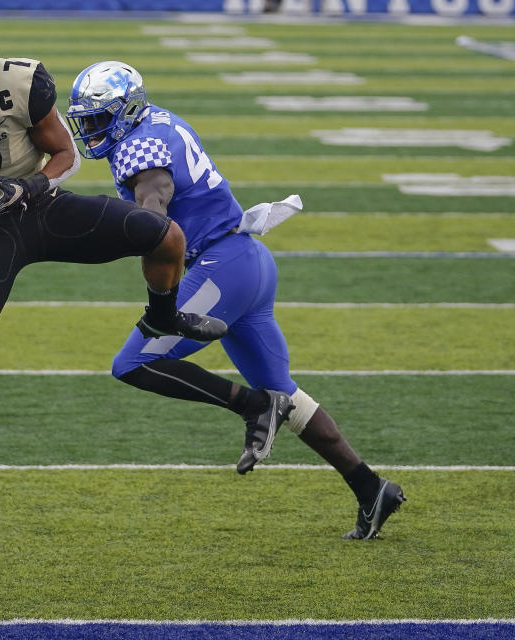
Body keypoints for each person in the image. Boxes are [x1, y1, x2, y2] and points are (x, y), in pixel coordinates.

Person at [0, 6, 230, 530]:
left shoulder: (23, 81)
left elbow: (65, 156)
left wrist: (24, 187)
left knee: (164, 235)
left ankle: (163, 314)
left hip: (41, 205)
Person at [66, 61, 406, 540]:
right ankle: (370, 487)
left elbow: (154, 221)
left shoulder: (137, 147)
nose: (92, 129)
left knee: (133, 363)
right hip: (249, 261)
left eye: (100, 118)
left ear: (126, 111)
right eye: (88, 120)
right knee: (285, 393)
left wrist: (103, 239)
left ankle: (251, 407)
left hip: (221, 266)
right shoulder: (159, 119)